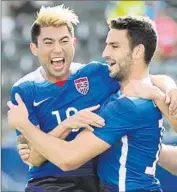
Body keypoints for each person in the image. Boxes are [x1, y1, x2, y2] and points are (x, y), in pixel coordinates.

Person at [8, 16, 177, 192]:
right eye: (49, 42)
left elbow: (68, 158)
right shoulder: (25, 89)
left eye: (114, 46)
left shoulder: (117, 96)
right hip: (50, 184)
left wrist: (24, 125)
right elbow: (34, 158)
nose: (105, 53)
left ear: (73, 43)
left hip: (92, 180)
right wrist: (165, 91)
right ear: (34, 48)